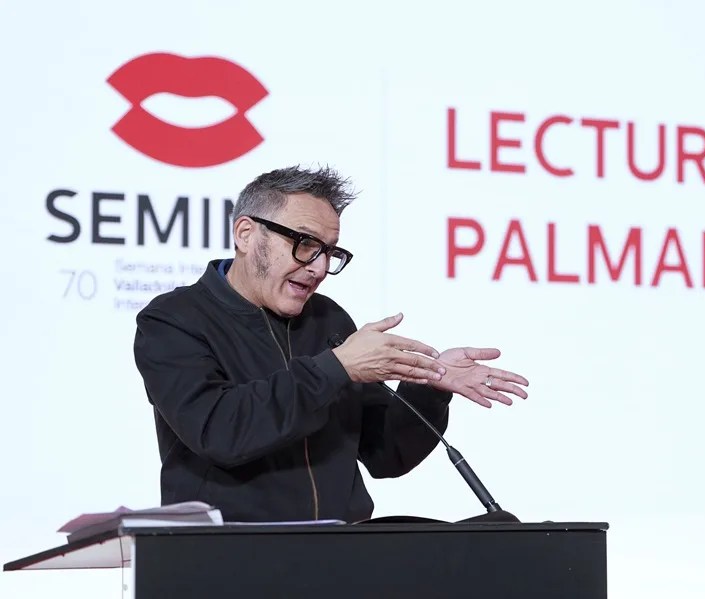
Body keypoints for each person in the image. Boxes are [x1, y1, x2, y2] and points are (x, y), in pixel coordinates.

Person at [133, 165, 529, 523]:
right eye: (305, 244)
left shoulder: (328, 319)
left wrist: (428, 388)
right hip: (235, 557)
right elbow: (220, 431)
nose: (320, 267)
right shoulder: (173, 320)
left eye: (329, 252)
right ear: (246, 234)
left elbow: (385, 454)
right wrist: (334, 369)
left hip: (340, 552)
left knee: (502, 534)